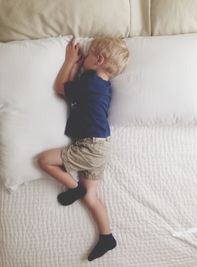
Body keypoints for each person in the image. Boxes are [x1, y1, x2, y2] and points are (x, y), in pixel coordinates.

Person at [37, 36, 129, 261]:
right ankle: (107, 236)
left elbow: (60, 88)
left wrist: (69, 61)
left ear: (98, 59)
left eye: (86, 55)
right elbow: (73, 91)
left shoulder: (90, 83)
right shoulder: (101, 85)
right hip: (101, 146)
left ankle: (73, 187)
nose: (82, 57)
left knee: (43, 160)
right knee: (91, 198)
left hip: (90, 146)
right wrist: (80, 67)